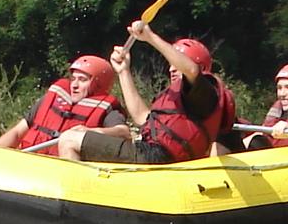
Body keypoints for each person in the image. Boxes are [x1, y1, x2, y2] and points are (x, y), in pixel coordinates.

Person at [55, 20, 235, 164]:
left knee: (69, 140)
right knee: (76, 140)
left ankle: (75, 205)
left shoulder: (205, 93)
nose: (171, 69)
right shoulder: (179, 99)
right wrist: (123, 71)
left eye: (176, 63)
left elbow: (192, 71)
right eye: (170, 64)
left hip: (158, 155)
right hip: (151, 151)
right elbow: (142, 117)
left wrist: (150, 37)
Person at [0, 55, 124, 150]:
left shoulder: (108, 109)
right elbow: (17, 132)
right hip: (30, 159)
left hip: (60, 169)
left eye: (82, 80)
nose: (74, 85)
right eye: (73, 79)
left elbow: (123, 132)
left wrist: (91, 132)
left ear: (98, 84)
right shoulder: (54, 97)